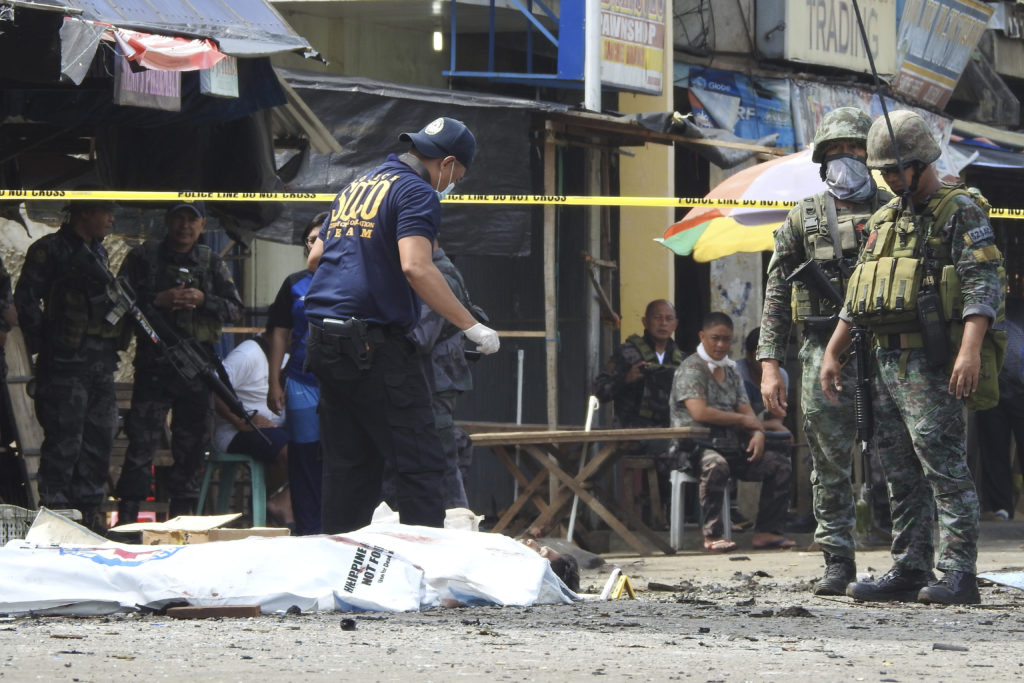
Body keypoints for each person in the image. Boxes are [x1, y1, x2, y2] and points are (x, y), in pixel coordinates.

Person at [821, 110, 1004, 605]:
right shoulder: (886, 218)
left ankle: (958, 572)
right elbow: (859, 295)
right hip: (886, 363)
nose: (890, 180)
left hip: (935, 362)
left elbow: (983, 283)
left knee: (943, 467)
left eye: (897, 171)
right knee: (899, 470)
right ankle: (910, 566)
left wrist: (969, 351)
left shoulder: (960, 209)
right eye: (884, 173)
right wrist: (832, 353)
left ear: (924, 163)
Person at [303, 116, 500, 534]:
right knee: (421, 461)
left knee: (349, 468)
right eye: (458, 175)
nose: (454, 182)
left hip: (323, 342)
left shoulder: (358, 186)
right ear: (446, 163)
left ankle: (344, 574)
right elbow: (416, 266)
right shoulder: (415, 192)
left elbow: (315, 260)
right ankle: (423, 577)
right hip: (372, 346)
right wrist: (471, 327)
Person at [757, 106, 895, 595]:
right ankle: (838, 559)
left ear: (870, 153)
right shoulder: (806, 215)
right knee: (828, 462)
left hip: (889, 352)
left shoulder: (895, 208)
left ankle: (908, 558)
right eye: (834, 151)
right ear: (821, 158)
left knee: (899, 459)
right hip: (821, 355)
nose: (845, 159)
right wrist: (770, 365)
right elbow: (776, 292)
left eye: (853, 149)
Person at [115, 201, 243, 522]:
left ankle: (181, 519)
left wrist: (203, 300)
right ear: (167, 221)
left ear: (201, 226)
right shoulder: (143, 258)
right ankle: (128, 520)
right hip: (154, 370)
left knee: (192, 449)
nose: (185, 226)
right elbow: (118, 300)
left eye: (192, 220)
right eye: (179, 218)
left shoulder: (210, 262)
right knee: (141, 446)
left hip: (195, 372)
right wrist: (157, 300)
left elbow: (235, 309)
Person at [13, 197, 126, 533]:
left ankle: (89, 522)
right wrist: (48, 343)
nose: (110, 219)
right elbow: (26, 301)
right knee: (65, 444)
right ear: (84, 213)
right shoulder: (50, 250)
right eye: (105, 211)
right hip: (63, 367)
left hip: (99, 366)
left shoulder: (100, 253)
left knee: (99, 441)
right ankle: (57, 522)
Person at [670, 312, 795, 553]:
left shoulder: (731, 371)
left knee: (779, 464)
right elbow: (700, 412)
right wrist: (743, 420)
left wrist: (757, 433)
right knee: (715, 465)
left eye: (726, 340)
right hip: (694, 448)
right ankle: (713, 535)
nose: (720, 345)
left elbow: (748, 413)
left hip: (731, 445)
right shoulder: (692, 368)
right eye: (715, 338)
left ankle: (767, 532)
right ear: (702, 336)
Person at [404, 241, 483, 509]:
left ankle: (456, 527)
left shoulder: (438, 277)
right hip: (430, 381)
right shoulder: (435, 271)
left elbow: (420, 337)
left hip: (433, 384)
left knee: (441, 461)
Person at [593, 299, 685, 526]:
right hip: (632, 430)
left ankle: (674, 517)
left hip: (667, 430)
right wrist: (625, 379)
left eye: (668, 318)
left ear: (675, 324)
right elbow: (598, 391)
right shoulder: (627, 352)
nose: (662, 323)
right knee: (671, 450)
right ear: (645, 321)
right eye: (657, 317)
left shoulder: (682, 358)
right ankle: (656, 518)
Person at [267, 213, 327, 535]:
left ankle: (339, 530)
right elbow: (279, 332)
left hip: (342, 386)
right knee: (304, 458)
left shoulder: (353, 280)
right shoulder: (294, 284)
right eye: (312, 239)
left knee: (339, 456)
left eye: (325, 237)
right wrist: (274, 380)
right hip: (302, 382)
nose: (318, 244)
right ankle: (308, 532)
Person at [212, 331, 292, 527]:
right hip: (235, 431)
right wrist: (240, 419)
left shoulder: (289, 357)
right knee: (290, 452)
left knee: (315, 449)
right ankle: (273, 501)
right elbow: (213, 388)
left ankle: (278, 500)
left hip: (274, 428)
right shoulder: (248, 354)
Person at [972, 298, 1024, 521]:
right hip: (992, 383)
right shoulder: (984, 303)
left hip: (1020, 383)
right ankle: (1000, 508)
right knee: (993, 447)